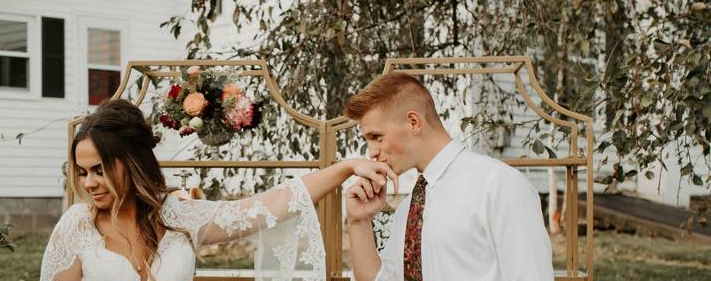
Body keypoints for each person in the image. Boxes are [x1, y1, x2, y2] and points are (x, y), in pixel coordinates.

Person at [40, 98, 392, 281]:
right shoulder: (76, 227)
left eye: (99, 170)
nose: (88, 183)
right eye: (83, 172)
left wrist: (346, 167)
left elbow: (267, 206)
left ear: (129, 162)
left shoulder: (178, 216)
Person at [343, 73, 554, 281]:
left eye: (377, 137)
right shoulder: (408, 210)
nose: (371, 152)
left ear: (414, 122)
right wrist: (358, 222)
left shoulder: (498, 185)